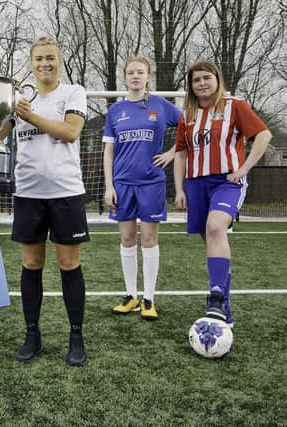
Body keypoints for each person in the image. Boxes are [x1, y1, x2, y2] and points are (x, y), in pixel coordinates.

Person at [0, 36, 89, 366]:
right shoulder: (17, 101)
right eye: (39, 59)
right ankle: (33, 334)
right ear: (31, 64)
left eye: (50, 58)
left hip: (66, 192)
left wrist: (30, 117)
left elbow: (71, 132)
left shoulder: (72, 93)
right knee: (31, 265)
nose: (44, 63)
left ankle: (76, 336)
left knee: (69, 265)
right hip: (28, 193)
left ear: (59, 62)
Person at [174, 61, 272, 328]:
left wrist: (245, 167)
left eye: (207, 78)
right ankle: (223, 307)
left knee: (216, 227)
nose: (202, 83)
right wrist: (180, 189)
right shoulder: (187, 116)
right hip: (196, 184)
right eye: (196, 80)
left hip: (227, 181)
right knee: (209, 239)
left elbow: (263, 134)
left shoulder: (235, 106)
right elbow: (181, 153)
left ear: (217, 80)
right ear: (191, 86)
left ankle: (215, 297)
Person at [103, 56, 182, 320]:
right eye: (131, 72)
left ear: (148, 77)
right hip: (122, 184)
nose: (135, 76)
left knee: (148, 239)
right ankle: (130, 296)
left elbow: (188, 127)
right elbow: (109, 150)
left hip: (151, 183)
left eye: (140, 72)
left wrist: (172, 153)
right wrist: (108, 185)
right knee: (127, 239)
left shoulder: (160, 105)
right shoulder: (115, 111)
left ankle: (148, 298)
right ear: (124, 77)